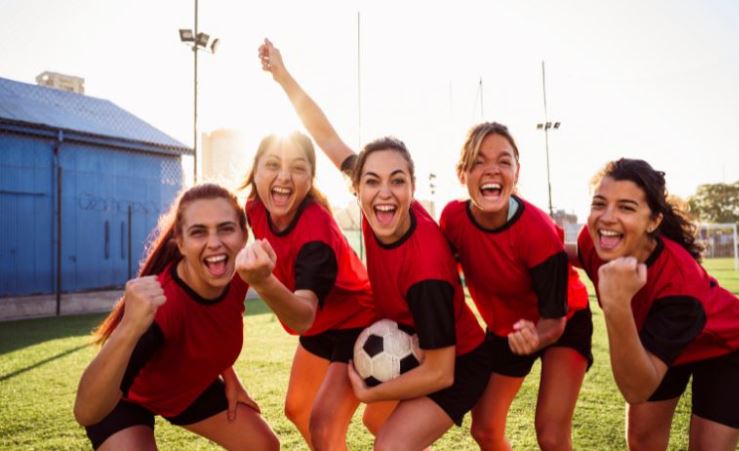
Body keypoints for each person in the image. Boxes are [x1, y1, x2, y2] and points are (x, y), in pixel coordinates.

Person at [259, 38, 491, 449]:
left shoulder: (427, 272)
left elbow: (441, 371)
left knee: (387, 442)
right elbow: (326, 135)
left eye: (397, 181)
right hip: (402, 333)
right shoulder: (380, 202)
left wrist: (370, 392)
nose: (384, 192)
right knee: (355, 421)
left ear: (412, 187)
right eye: (372, 180)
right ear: (358, 185)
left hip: (458, 361)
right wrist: (283, 77)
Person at [73, 183, 309, 450]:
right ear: (180, 242)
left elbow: (209, 326)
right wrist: (128, 327)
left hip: (185, 391)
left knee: (263, 446)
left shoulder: (239, 275)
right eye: (199, 232)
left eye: (226, 228)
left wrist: (231, 380)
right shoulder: (162, 307)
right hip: (126, 399)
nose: (215, 242)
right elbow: (86, 411)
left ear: (244, 235)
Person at [572, 158, 739, 451]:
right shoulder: (594, 240)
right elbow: (572, 254)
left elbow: (636, 390)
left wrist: (617, 305)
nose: (607, 217)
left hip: (728, 347)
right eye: (599, 203)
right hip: (663, 342)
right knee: (642, 441)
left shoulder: (680, 284)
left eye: (626, 207)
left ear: (654, 220)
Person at [438, 121, 592, 451]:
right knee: (485, 430)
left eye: (503, 161)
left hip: (564, 322)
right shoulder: (452, 219)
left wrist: (537, 336)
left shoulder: (536, 230)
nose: (491, 170)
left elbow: (555, 319)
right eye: (478, 161)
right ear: (461, 172)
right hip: (506, 330)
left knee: (551, 435)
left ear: (516, 172)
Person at [241, 131, 380, 450]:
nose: (284, 176)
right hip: (325, 323)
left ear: (310, 179)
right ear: (257, 170)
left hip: (358, 320)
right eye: (273, 164)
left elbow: (302, 315)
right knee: (298, 408)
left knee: (324, 422)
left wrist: (262, 281)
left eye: (298, 168)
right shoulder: (253, 208)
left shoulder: (315, 234)